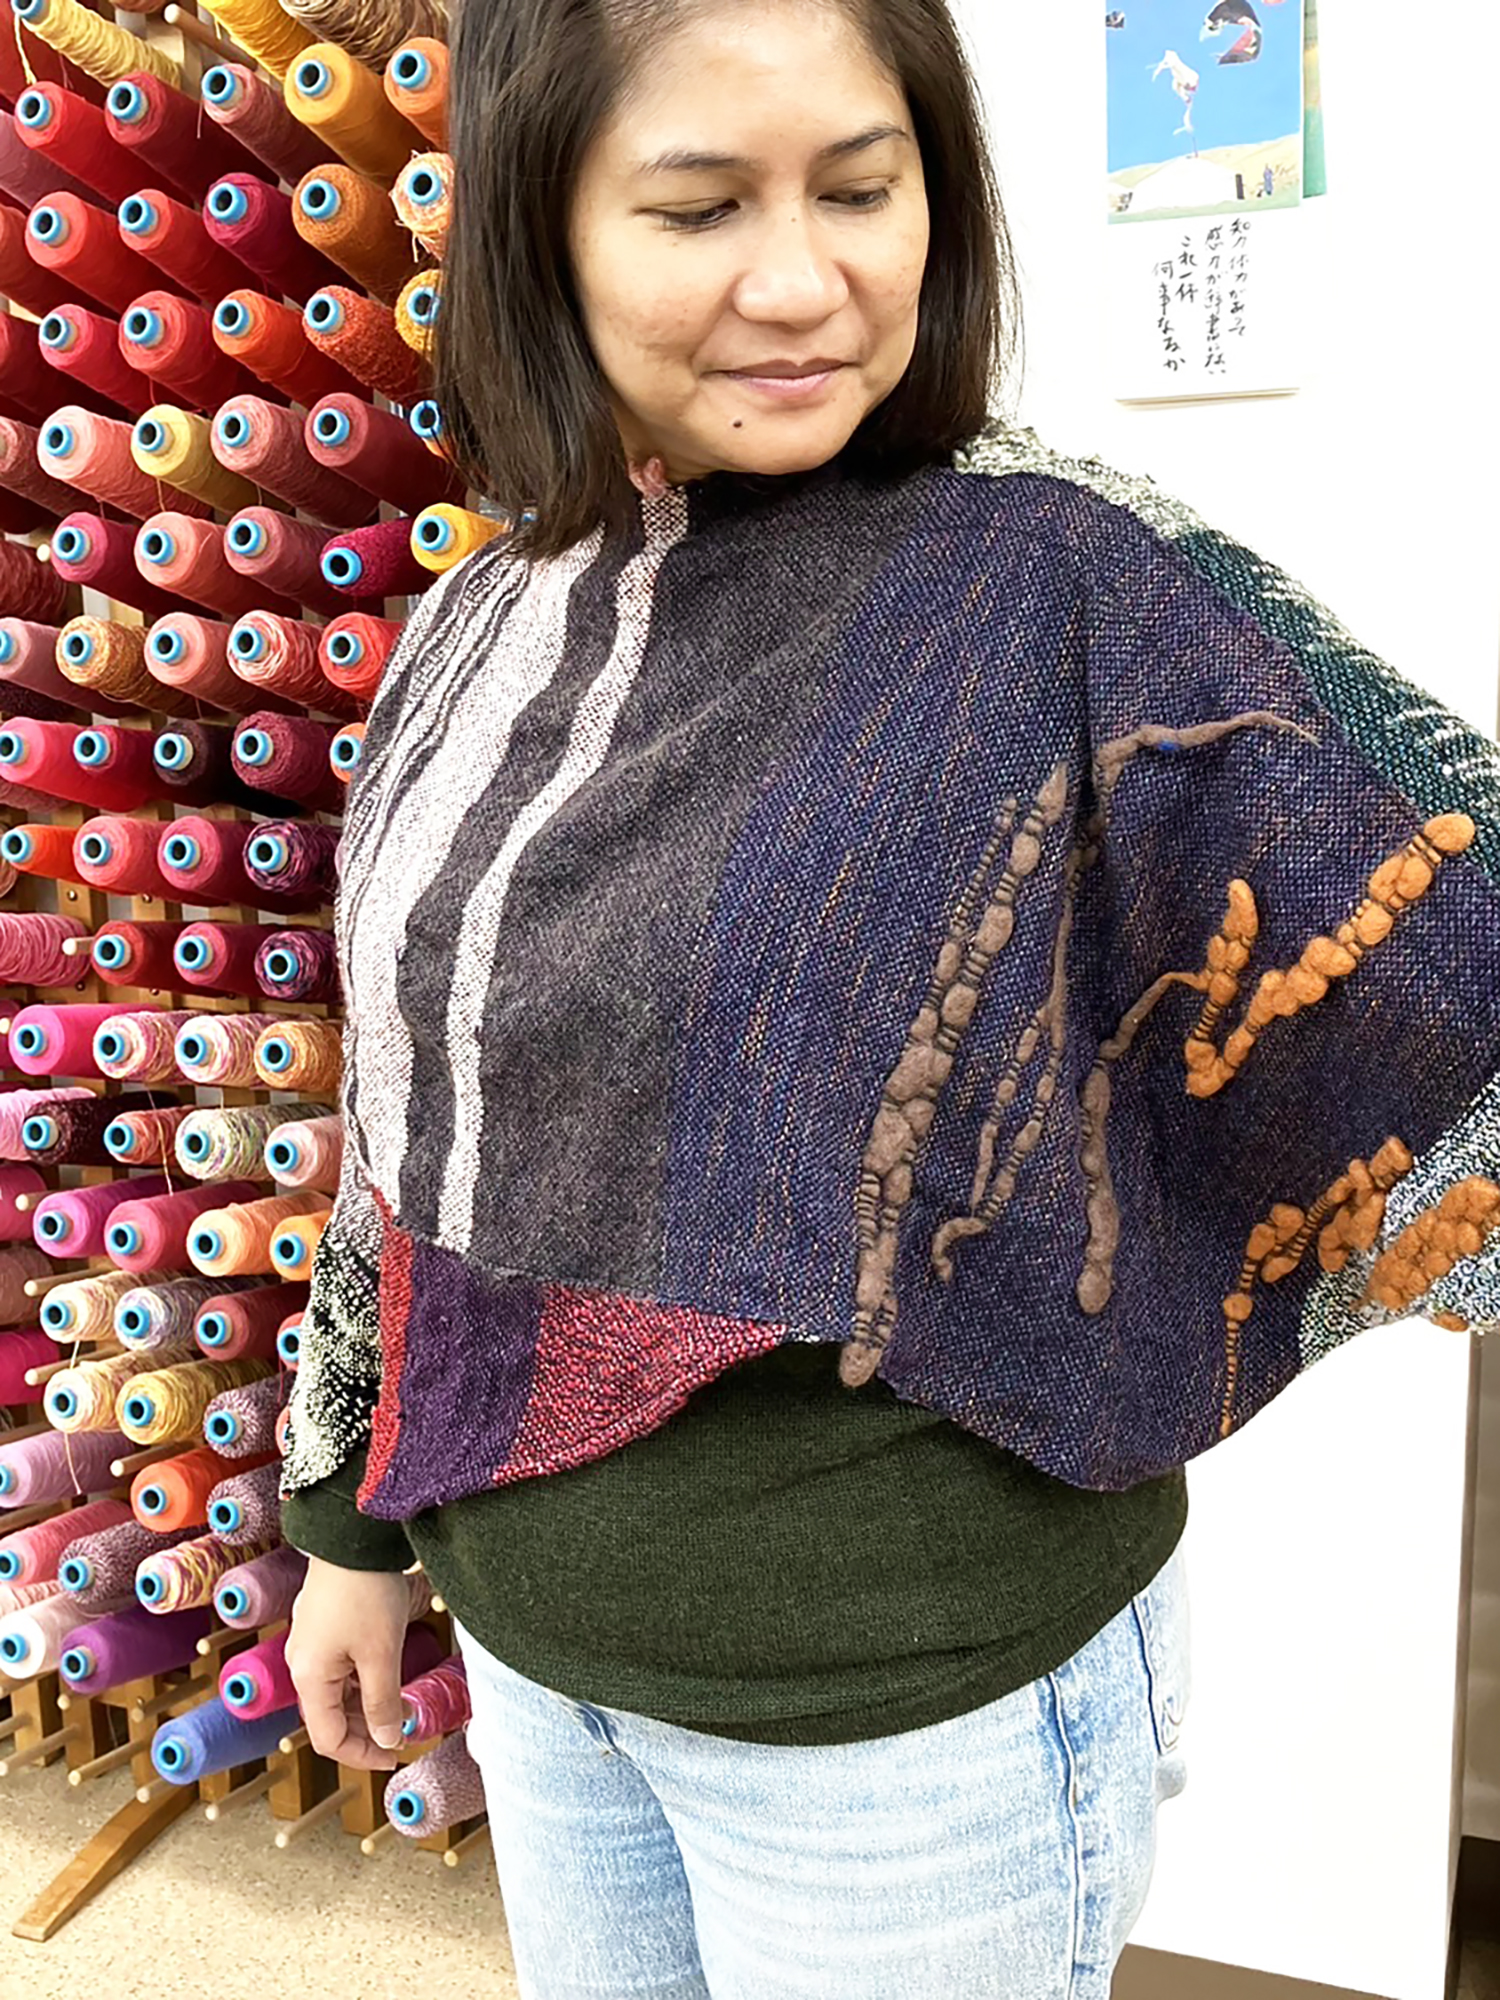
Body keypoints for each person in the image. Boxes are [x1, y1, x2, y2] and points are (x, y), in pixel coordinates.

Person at [282, 2, 1500, 1995]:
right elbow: (413, 1132)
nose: (802, 280)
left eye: (861, 189)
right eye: (699, 208)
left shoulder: (1055, 587)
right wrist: (349, 1518)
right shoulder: (479, 626)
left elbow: (1454, 962)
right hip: (542, 1673)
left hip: (911, 1738)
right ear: (537, 232)